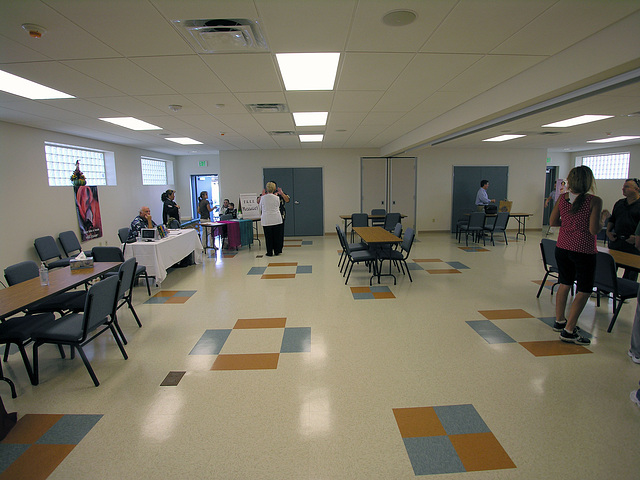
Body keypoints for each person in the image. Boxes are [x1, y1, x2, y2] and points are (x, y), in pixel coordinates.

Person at [550, 165, 602, 345]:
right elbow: (594, 229)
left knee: (564, 283)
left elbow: (553, 222)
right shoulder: (594, 201)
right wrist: (602, 219)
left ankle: (559, 320)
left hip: (562, 247)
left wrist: (568, 225)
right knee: (584, 290)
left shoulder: (563, 199)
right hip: (583, 250)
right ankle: (569, 330)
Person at [606, 178, 640, 280]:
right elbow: (613, 219)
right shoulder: (620, 203)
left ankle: (625, 292)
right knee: (611, 267)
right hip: (617, 241)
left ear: (637, 189)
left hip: (633, 244)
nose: (623, 189)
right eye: (623, 187)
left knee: (631, 272)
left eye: (627, 187)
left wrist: (636, 238)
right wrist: (608, 232)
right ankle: (605, 289)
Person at [259, 182, 283, 256]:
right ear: (274, 189)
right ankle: (277, 251)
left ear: (267, 189)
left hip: (266, 219)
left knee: (268, 237)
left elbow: (260, 208)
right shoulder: (277, 198)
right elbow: (278, 206)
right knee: (276, 236)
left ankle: (269, 252)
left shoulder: (263, 198)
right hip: (276, 219)